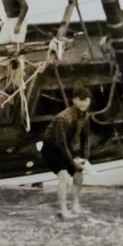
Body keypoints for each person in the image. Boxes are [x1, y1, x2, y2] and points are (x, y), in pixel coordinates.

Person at [41, 85, 92, 219]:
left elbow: (85, 139)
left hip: (67, 147)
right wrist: (72, 161)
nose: (84, 103)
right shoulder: (62, 118)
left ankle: (75, 205)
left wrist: (84, 159)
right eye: (81, 99)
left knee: (79, 174)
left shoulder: (86, 116)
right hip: (51, 148)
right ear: (74, 100)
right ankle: (63, 210)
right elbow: (61, 144)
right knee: (63, 175)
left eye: (87, 100)